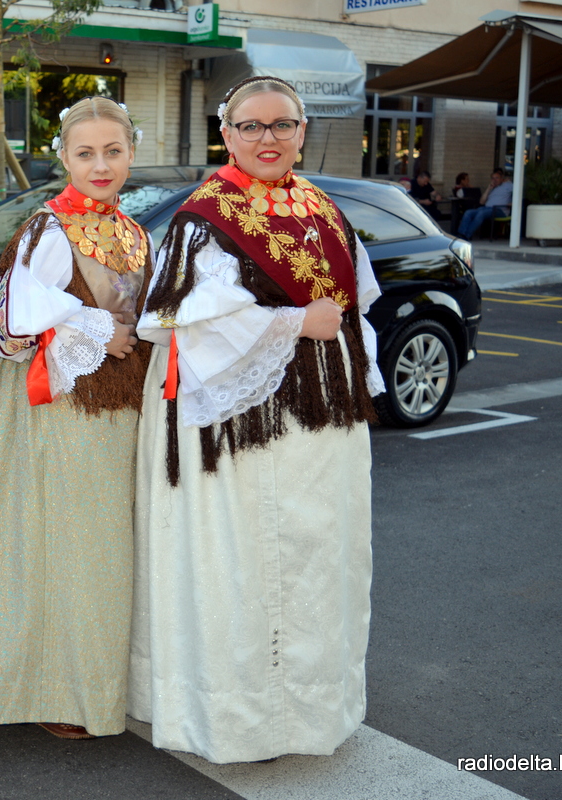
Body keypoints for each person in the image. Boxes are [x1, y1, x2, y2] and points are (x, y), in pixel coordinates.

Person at [128, 75, 384, 764]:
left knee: (320, 557)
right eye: (251, 126)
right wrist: (296, 323)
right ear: (227, 134)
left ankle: (311, 709)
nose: (267, 139)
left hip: (322, 417)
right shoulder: (204, 217)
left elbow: (355, 305)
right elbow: (189, 322)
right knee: (245, 561)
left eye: (282, 125)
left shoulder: (323, 207)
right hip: (238, 420)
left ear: (302, 132)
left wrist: (343, 357)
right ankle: (242, 717)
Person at [0, 97, 153, 740]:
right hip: (55, 410)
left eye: (113, 151)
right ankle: (54, 687)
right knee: (62, 546)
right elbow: (11, 320)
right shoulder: (49, 228)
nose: (101, 165)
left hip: (115, 410)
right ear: (63, 157)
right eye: (85, 153)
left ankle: (100, 680)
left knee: (105, 550)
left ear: (131, 154)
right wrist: (96, 329)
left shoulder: (134, 230)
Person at [457, 167, 513, 239]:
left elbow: (519, 192)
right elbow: (481, 202)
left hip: (499, 210)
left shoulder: (508, 185)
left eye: (497, 178)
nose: (495, 180)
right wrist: (488, 189)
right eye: (493, 178)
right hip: (486, 208)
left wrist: (513, 203)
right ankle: (461, 234)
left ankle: (467, 235)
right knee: (468, 212)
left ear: (502, 179)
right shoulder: (491, 188)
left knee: (481, 213)